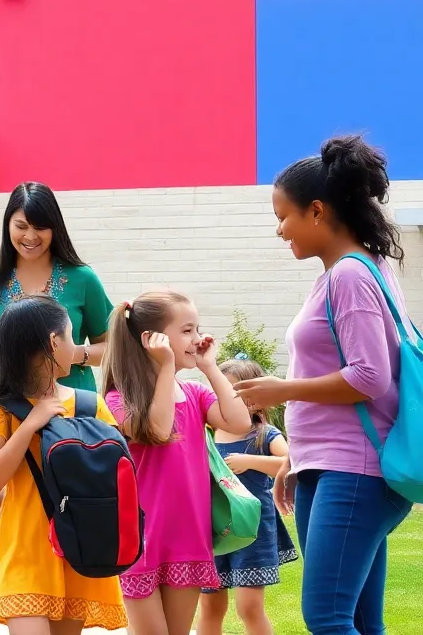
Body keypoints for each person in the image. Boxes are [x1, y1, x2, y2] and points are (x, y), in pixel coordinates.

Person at [233, 135, 413, 635]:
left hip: (353, 470)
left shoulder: (350, 275)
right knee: (360, 621)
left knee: (328, 618)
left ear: (316, 211)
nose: (279, 230)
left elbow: (370, 376)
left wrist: (283, 390)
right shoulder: (350, 271)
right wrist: (296, 457)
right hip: (332, 466)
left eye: (283, 216)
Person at [0, 296, 127, 633]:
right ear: (54, 342)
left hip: (78, 548)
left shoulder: (90, 406)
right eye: (71, 337)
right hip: (25, 551)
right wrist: (30, 424)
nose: (76, 348)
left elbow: (118, 477)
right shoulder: (0, 409)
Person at [101, 292, 251, 635]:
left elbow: (240, 421)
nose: (197, 338)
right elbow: (157, 429)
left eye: (197, 328)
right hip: (140, 538)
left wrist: (210, 367)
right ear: (151, 340)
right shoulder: (118, 399)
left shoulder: (195, 395)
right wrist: (167, 366)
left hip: (187, 536)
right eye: (186, 330)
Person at [0, 182, 112, 398]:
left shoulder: (83, 279)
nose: (30, 236)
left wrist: (73, 354)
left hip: (69, 406)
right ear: (7, 224)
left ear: (54, 228)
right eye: (21, 226)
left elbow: (112, 348)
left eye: (40, 228)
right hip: (1, 407)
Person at [196, 359, 297, 635]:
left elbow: (290, 463)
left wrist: (251, 461)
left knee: (249, 607)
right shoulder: (207, 435)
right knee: (210, 607)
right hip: (213, 529)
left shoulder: (264, 435)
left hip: (253, 530)